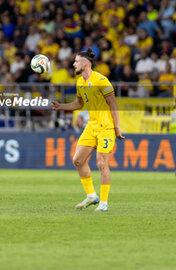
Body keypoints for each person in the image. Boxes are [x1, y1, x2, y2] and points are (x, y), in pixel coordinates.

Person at [52, 48, 124, 212]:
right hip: (91, 125)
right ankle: (92, 196)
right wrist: (61, 106)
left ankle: (104, 203)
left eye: (76, 61)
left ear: (85, 63)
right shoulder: (80, 82)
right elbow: (79, 104)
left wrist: (117, 127)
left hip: (106, 126)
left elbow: (113, 103)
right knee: (77, 160)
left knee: (101, 163)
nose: (73, 64)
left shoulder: (101, 80)